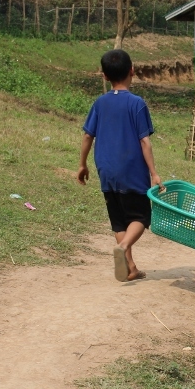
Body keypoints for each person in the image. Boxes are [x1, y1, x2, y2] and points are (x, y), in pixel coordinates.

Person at [77, 50, 164, 283]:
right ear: (132, 71)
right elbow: (145, 141)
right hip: (131, 171)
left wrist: (82, 164)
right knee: (141, 216)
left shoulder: (100, 103)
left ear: (104, 76)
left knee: (119, 220)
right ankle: (125, 246)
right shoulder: (137, 104)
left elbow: (87, 136)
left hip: (106, 170)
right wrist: (154, 174)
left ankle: (130, 267)